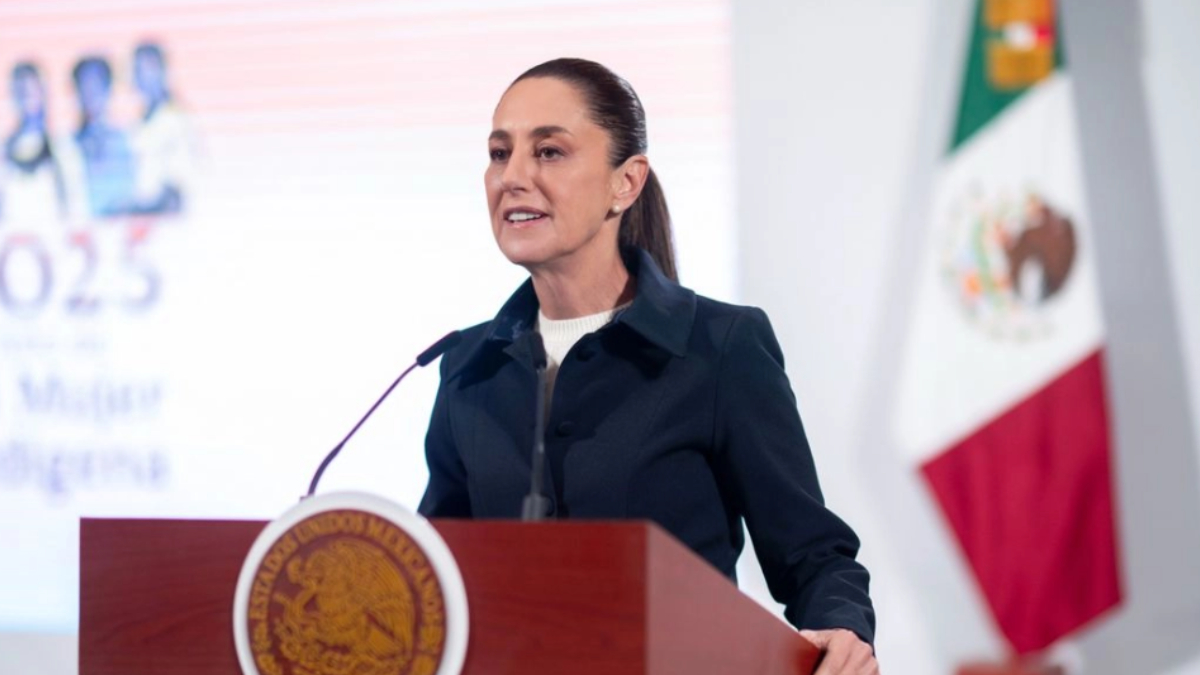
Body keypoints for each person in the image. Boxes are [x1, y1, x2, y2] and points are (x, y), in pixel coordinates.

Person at [418, 58, 878, 674]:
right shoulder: (470, 369)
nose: (513, 177)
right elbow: (435, 576)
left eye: (549, 152)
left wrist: (842, 629)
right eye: (500, 154)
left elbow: (813, 554)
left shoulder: (719, 347)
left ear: (626, 182)